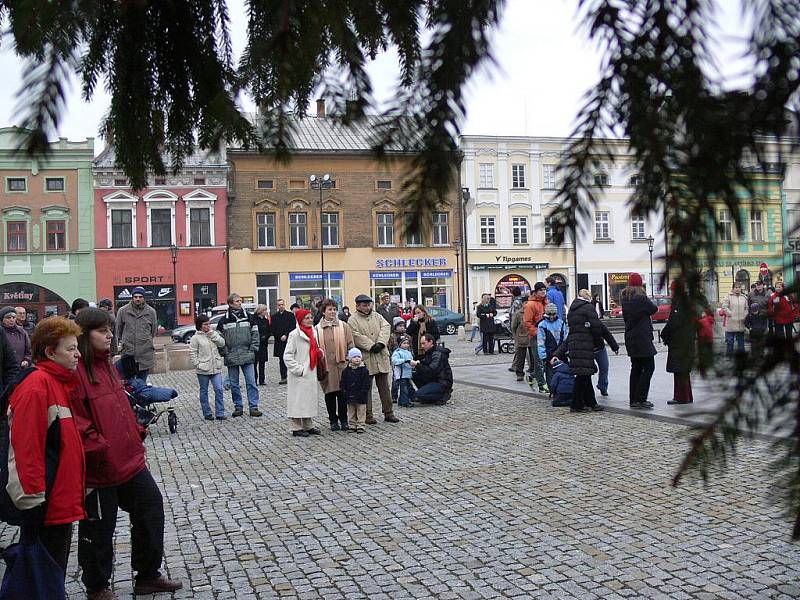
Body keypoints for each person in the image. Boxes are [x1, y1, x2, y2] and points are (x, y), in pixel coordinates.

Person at [71, 308, 182, 598]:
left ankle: (147, 575)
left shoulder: (107, 365)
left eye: (110, 329)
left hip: (128, 460)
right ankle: (97, 586)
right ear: (84, 335)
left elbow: (122, 406)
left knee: (150, 507)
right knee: (98, 529)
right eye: (101, 331)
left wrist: (135, 432)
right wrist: (102, 450)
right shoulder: (76, 371)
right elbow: (79, 423)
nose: (109, 335)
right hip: (99, 467)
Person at [6, 317, 85, 579]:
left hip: (59, 498)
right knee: (44, 574)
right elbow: (26, 448)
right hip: (46, 503)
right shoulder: (37, 386)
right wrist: (32, 500)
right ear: (50, 352)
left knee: (52, 571)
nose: (77, 354)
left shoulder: (58, 382)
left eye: (77, 347)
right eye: (71, 349)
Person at [348, 294, 400, 424]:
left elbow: (386, 327)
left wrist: (381, 343)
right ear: (358, 306)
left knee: (384, 387)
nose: (367, 308)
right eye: (364, 305)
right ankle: (368, 414)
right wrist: (371, 346)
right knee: (366, 388)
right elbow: (355, 335)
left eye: (369, 305)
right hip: (366, 356)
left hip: (380, 355)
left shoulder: (377, 316)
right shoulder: (352, 319)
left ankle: (388, 412)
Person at [553, 290, 604, 413]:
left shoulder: (572, 309)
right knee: (582, 377)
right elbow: (596, 327)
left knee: (584, 375)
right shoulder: (588, 308)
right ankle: (576, 405)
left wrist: (557, 353)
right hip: (585, 344)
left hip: (574, 345)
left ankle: (591, 403)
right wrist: (598, 343)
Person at [216, 293, 262, 417]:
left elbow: (255, 334)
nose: (240, 303)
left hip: (247, 354)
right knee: (234, 384)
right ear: (230, 303)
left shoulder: (250, 318)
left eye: (240, 301)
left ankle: (253, 406)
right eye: (237, 301)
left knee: (251, 382)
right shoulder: (224, 320)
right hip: (231, 355)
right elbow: (218, 338)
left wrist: (253, 349)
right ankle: (238, 406)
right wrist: (225, 352)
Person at [315, 298, 355, 431]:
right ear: (323, 312)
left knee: (343, 394)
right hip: (326, 366)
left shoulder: (344, 326)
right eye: (329, 309)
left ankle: (344, 420)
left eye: (334, 309)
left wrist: (350, 359)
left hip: (342, 364)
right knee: (330, 394)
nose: (332, 312)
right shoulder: (317, 329)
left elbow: (350, 344)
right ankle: (333, 420)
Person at [284, 308, 323, 437]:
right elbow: (287, 356)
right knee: (298, 400)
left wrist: (319, 353)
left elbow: (315, 348)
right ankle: (296, 427)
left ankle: (308, 425)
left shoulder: (313, 332)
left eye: (311, 317)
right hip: (300, 373)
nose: (310, 320)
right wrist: (299, 369)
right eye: (307, 318)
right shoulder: (294, 334)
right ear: (300, 320)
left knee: (308, 399)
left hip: (311, 370)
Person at [621, 273, 657, 409]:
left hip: (631, 338)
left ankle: (633, 399)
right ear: (640, 284)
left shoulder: (625, 299)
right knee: (649, 367)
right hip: (643, 339)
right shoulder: (641, 299)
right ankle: (641, 398)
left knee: (635, 368)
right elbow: (654, 309)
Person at [660, 286, 696, 405]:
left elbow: (672, 323)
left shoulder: (679, 305)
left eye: (671, 290)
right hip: (686, 342)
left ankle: (681, 397)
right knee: (683, 371)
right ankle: (687, 396)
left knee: (679, 371)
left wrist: (664, 334)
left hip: (679, 343)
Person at [189, 314, 227, 420]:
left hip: (216, 367)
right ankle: (207, 413)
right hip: (203, 369)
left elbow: (222, 343)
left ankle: (220, 412)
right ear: (200, 325)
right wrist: (198, 364)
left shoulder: (213, 333)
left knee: (219, 389)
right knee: (204, 391)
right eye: (205, 324)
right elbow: (192, 353)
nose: (208, 326)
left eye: (208, 324)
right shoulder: (195, 338)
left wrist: (211, 334)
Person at [115, 286, 156, 382]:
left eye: (140, 296)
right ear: (132, 297)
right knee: (129, 383)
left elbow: (153, 331)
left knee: (142, 383)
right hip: (129, 353)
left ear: (144, 298)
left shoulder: (151, 312)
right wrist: (126, 340)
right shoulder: (123, 311)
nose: (138, 299)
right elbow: (118, 330)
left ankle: (141, 397)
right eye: (135, 296)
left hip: (145, 354)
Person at [412, 333, 453, 404]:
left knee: (420, 394)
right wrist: (418, 364)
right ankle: (428, 394)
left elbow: (431, 371)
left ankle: (443, 395)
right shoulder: (430, 352)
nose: (422, 346)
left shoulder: (438, 353)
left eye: (424, 343)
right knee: (414, 374)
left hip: (442, 382)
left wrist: (418, 365)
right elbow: (426, 364)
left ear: (430, 342)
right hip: (434, 379)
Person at [523, 282, 549, 393]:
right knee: (538, 361)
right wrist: (536, 332)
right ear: (536, 291)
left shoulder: (546, 302)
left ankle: (533, 376)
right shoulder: (531, 304)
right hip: (536, 336)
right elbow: (527, 322)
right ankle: (541, 384)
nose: (543, 292)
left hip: (547, 336)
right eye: (541, 290)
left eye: (544, 290)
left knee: (545, 360)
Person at [537, 302, 568, 390]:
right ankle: (553, 391)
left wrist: (567, 351)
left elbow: (566, 338)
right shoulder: (542, 325)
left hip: (562, 353)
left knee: (564, 374)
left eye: (553, 314)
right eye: (549, 314)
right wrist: (543, 356)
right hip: (549, 354)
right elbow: (540, 342)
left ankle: (563, 391)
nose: (551, 316)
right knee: (550, 376)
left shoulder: (561, 323)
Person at [341, 348, 371, 433]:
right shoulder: (346, 371)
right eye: (354, 357)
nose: (357, 358)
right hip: (350, 394)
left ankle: (361, 424)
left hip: (361, 395)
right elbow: (343, 382)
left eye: (358, 356)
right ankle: (352, 424)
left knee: (361, 410)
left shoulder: (364, 370)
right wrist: (344, 391)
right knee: (351, 411)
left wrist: (363, 392)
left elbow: (367, 383)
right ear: (350, 359)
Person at [271, 299, 296, 385]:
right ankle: (283, 377)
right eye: (279, 305)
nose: (281, 306)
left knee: (291, 359)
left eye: (282, 304)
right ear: (277, 306)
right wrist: (279, 336)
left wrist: (286, 335)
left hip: (289, 340)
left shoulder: (290, 315)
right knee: (282, 360)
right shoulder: (274, 317)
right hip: (279, 341)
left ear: (284, 305)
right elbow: (273, 329)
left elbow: (292, 327)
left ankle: (292, 376)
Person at [721, 284, 748, 355]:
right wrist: (730, 314)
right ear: (733, 288)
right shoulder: (728, 296)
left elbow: (746, 308)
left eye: (739, 287)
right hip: (731, 323)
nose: (737, 289)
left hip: (741, 323)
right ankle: (729, 356)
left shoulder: (744, 297)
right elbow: (724, 306)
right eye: (736, 287)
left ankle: (741, 357)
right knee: (730, 342)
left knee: (741, 342)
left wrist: (744, 315)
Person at [391, 335, 416, 407]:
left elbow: (411, 360)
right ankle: (405, 402)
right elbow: (394, 361)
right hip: (402, 374)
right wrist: (404, 361)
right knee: (404, 389)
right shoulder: (397, 352)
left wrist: (414, 364)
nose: (406, 345)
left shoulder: (408, 352)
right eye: (404, 343)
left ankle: (404, 400)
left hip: (408, 374)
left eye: (407, 343)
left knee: (408, 387)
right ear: (400, 344)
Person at [253, 304, 272, 386]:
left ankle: (262, 380)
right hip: (256, 344)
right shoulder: (254, 320)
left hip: (263, 344)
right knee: (254, 363)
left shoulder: (266, 320)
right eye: (264, 310)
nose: (265, 312)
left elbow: (269, 330)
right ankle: (254, 379)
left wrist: (266, 336)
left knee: (262, 363)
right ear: (260, 311)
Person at [510, 306, 530, 382]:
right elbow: (513, 326)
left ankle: (532, 371)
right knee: (521, 356)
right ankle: (519, 374)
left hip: (531, 336)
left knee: (532, 356)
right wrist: (516, 337)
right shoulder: (519, 313)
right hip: (522, 338)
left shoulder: (533, 311)